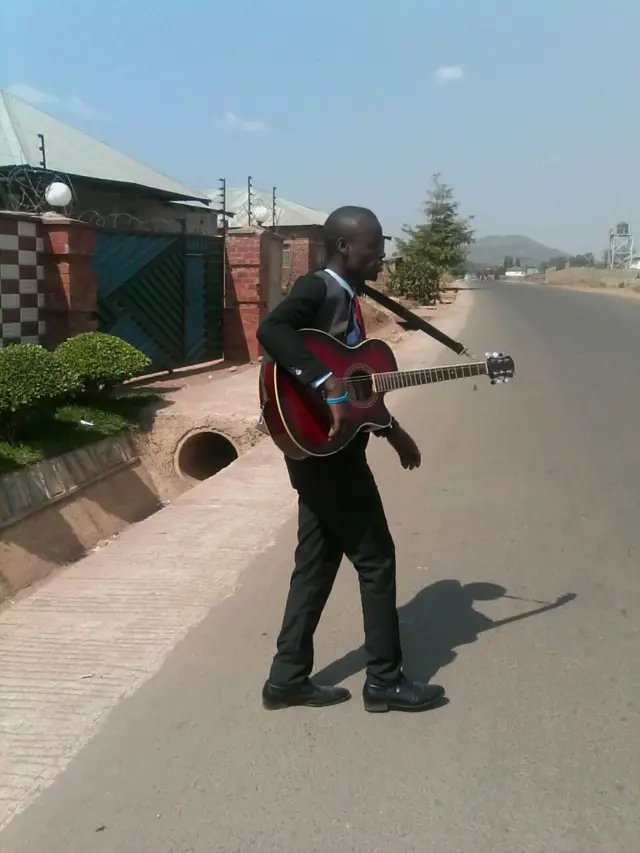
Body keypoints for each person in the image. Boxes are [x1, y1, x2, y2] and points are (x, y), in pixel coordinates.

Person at [256, 205, 446, 713]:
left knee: (315, 564)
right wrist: (324, 382)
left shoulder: (350, 298)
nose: (381, 252)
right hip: (326, 453)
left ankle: (287, 678)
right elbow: (273, 331)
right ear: (345, 246)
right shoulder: (318, 289)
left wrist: (393, 431)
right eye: (374, 243)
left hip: (327, 449)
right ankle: (385, 680)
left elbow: (359, 386)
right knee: (376, 559)